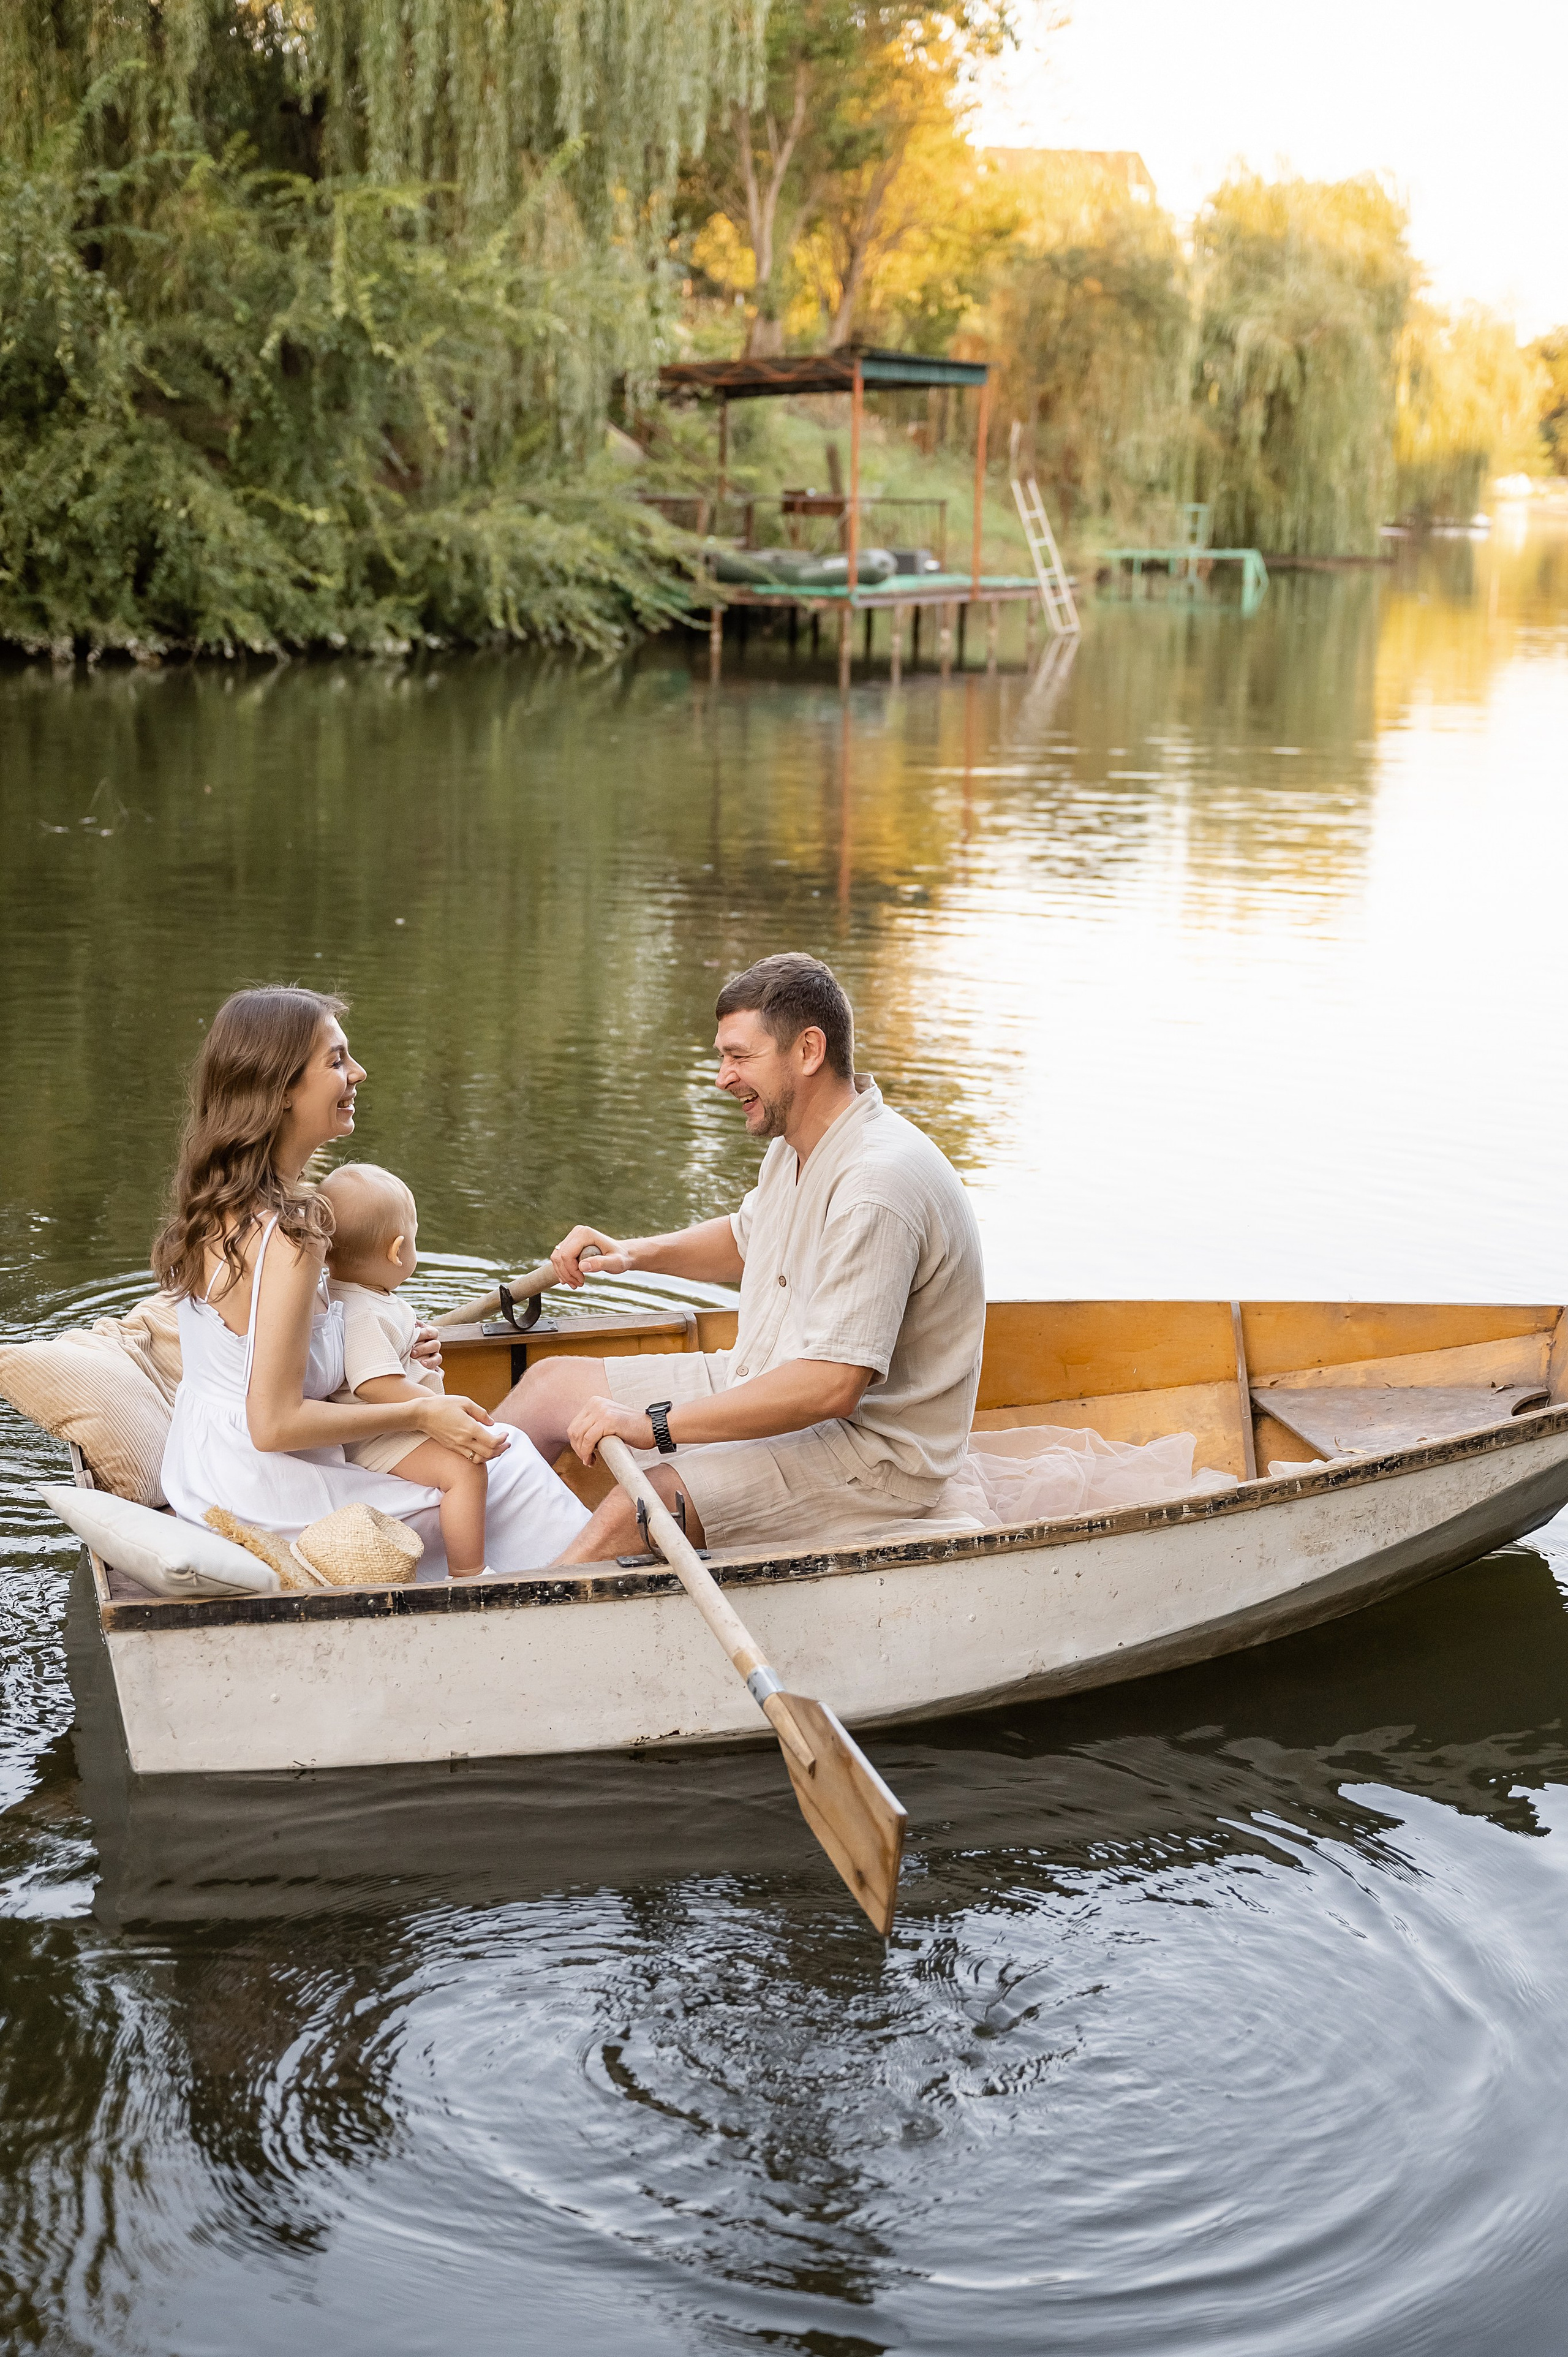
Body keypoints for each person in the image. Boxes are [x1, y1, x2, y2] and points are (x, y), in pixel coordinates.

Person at [499, 952, 987, 1564]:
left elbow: (831, 1387)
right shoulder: (797, 1141)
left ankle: (508, 1626)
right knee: (548, 1388)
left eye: (738, 1056)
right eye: (721, 1056)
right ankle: (410, 1544)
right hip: (761, 1373)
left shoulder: (877, 1185)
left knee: (648, 1501)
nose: (721, 1077)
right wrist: (632, 1253)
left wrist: (654, 1424)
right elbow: (747, 1237)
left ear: (808, 1051)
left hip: (868, 1455)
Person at [154, 986, 589, 1574]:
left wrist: (385, 1349)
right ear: (280, 1091)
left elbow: (258, 1356)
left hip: (203, 1466)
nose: (358, 1072)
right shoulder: (292, 1234)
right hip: (265, 1490)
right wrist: (419, 1413)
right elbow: (274, 1423)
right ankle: (526, 1602)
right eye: (336, 1061)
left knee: (484, 1453)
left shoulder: (218, 1197)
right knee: (509, 1467)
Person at [318, 1162, 496, 1578]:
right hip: (379, 1435)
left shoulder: (363, 1295)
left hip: (398, 1422)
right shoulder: (363, 1312)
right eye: (414, 1241)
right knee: (466, 1470)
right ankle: (469, 1574)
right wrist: (440, 1408)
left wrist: (413, 1341)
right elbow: (376, 1385)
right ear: (398, 1250)